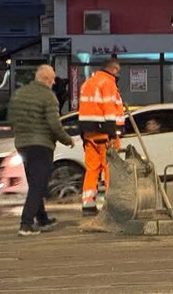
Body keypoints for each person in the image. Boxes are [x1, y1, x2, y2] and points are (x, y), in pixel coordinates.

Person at [7, 65, 74, 236]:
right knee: (38, 185)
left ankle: (42, 218)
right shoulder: (48, 96)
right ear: (46, 79)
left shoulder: (19, 94)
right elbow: (54, 124)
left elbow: (11, 119)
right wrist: (67, 140)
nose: (53, 84)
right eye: (52, 80)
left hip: (22, 144)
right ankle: (26, 223)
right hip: (41, 145)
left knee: (34, 182)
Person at [77, 56, 125, 216]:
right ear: (114, 69)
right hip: (105, 134)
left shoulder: (87, 84)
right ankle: (112, 204)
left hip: (89, 134)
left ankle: (88, 204)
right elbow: (110, 111)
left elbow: (83, 110)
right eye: (118, 71)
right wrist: (112, 134)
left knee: (92, 169)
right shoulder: (108, 83)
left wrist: (83, 133)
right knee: (110, 168)